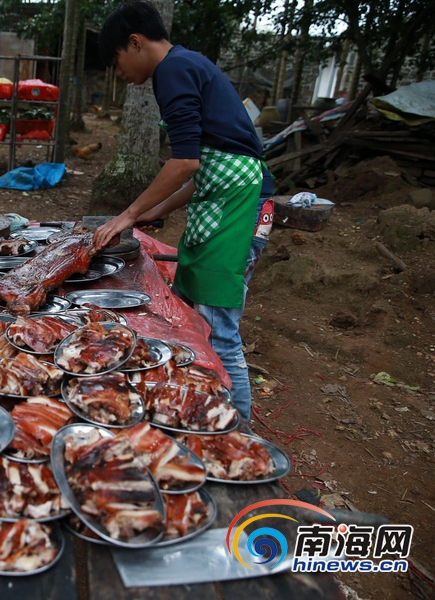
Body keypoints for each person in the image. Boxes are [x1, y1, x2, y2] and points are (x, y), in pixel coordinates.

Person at [92, 1, 269, 423]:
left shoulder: (173, 70)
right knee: (194, 324)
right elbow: (204, 171)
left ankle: (239, 434)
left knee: (219, 335)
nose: (119, 75)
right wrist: (155, 209)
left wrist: (129, 215)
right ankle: (195, 411)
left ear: (134, 43)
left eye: (116, 62)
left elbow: (186, 162)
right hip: (226, 198)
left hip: (238, 208)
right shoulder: (186, 64)